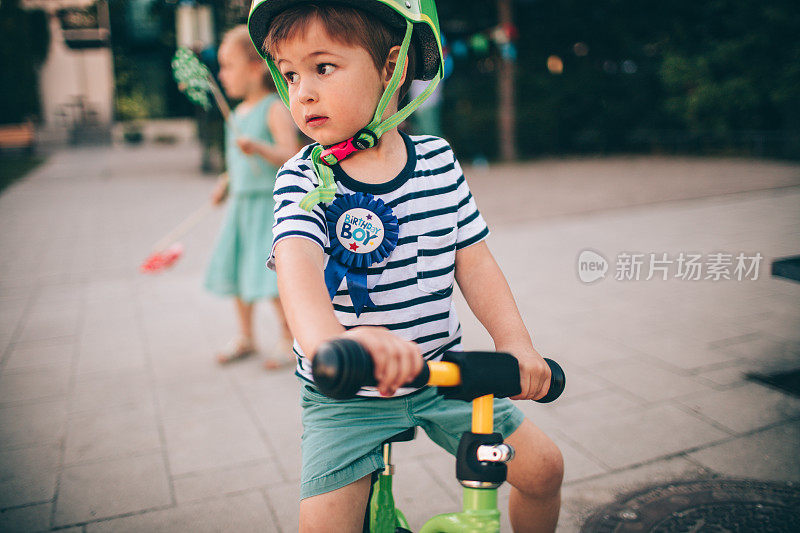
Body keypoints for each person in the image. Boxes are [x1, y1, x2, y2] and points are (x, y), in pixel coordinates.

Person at [247, 1, 564, 531]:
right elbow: (296, 271)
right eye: (290, 74)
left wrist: (516, 344)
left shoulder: (438, 161)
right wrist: (335, 344)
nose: (301, 91)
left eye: (323, 67)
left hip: (445, 373)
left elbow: (476, 262)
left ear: (391, 67)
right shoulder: (301, 179)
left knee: (544, 469)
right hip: (347, 392)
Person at [204, 25, 300, 369]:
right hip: (241, 205)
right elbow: (236, 163)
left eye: (228, 66)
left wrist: (258, 147)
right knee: (238, 272)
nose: (222, 75)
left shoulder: (273, 108)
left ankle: (289, 338)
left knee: (271, 277)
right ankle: (245, 336)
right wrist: (226, 182)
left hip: (266, 206)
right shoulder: (237, 114)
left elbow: (290, 153)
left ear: (256, 67)